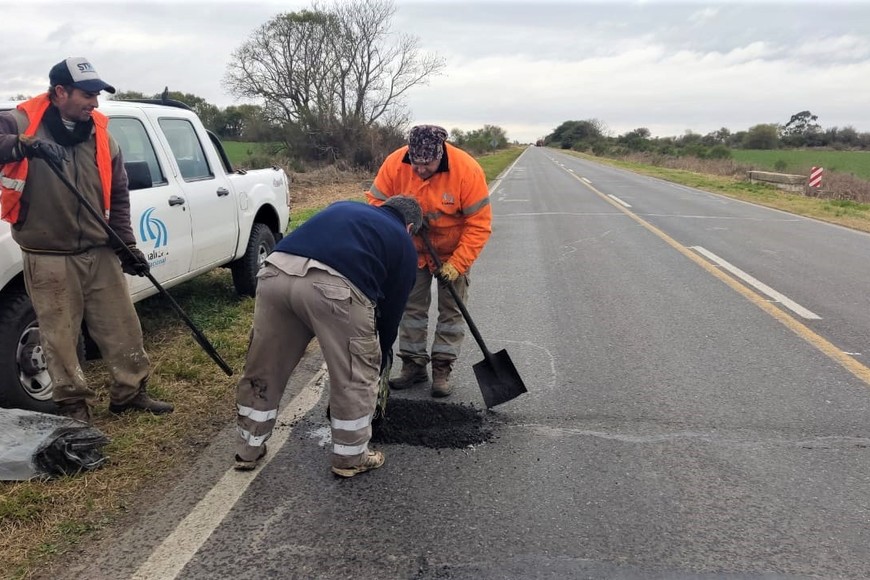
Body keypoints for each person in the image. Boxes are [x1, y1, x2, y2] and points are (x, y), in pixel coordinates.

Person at [0, 57, 173, 423]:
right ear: (60, 92)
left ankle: (130, 392)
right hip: (48, 253)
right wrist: (23, 146)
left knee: (122, 325)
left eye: (97, 95)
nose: (95, 103)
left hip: (99, 248)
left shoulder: (100, 132)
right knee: (59, 336)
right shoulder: (18, 121)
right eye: (87, 94)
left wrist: (126, 245)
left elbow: (119, 194)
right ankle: (73, 404)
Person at [234, 196, 422, 477]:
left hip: (275, 273)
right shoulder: (404, 243)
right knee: (353, 373)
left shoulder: (345, 207)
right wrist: (378, 356)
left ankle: (248, 448)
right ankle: (350, 457)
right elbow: (393, 310)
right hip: (333, 287)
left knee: (265, 366)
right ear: (409, 227)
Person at [366, 125, 492, 398]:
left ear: (441, 154)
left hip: (453, 251)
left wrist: (457, 264)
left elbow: (479, 225)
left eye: (428, 164)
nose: (420, 170)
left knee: (451, 314)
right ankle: (413, 365)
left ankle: (442, 369)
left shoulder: (466, 170)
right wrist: (401, 219)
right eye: (416, 163)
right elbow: (375, 203)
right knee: (409, 308)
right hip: (411, 249)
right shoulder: (395, 163)